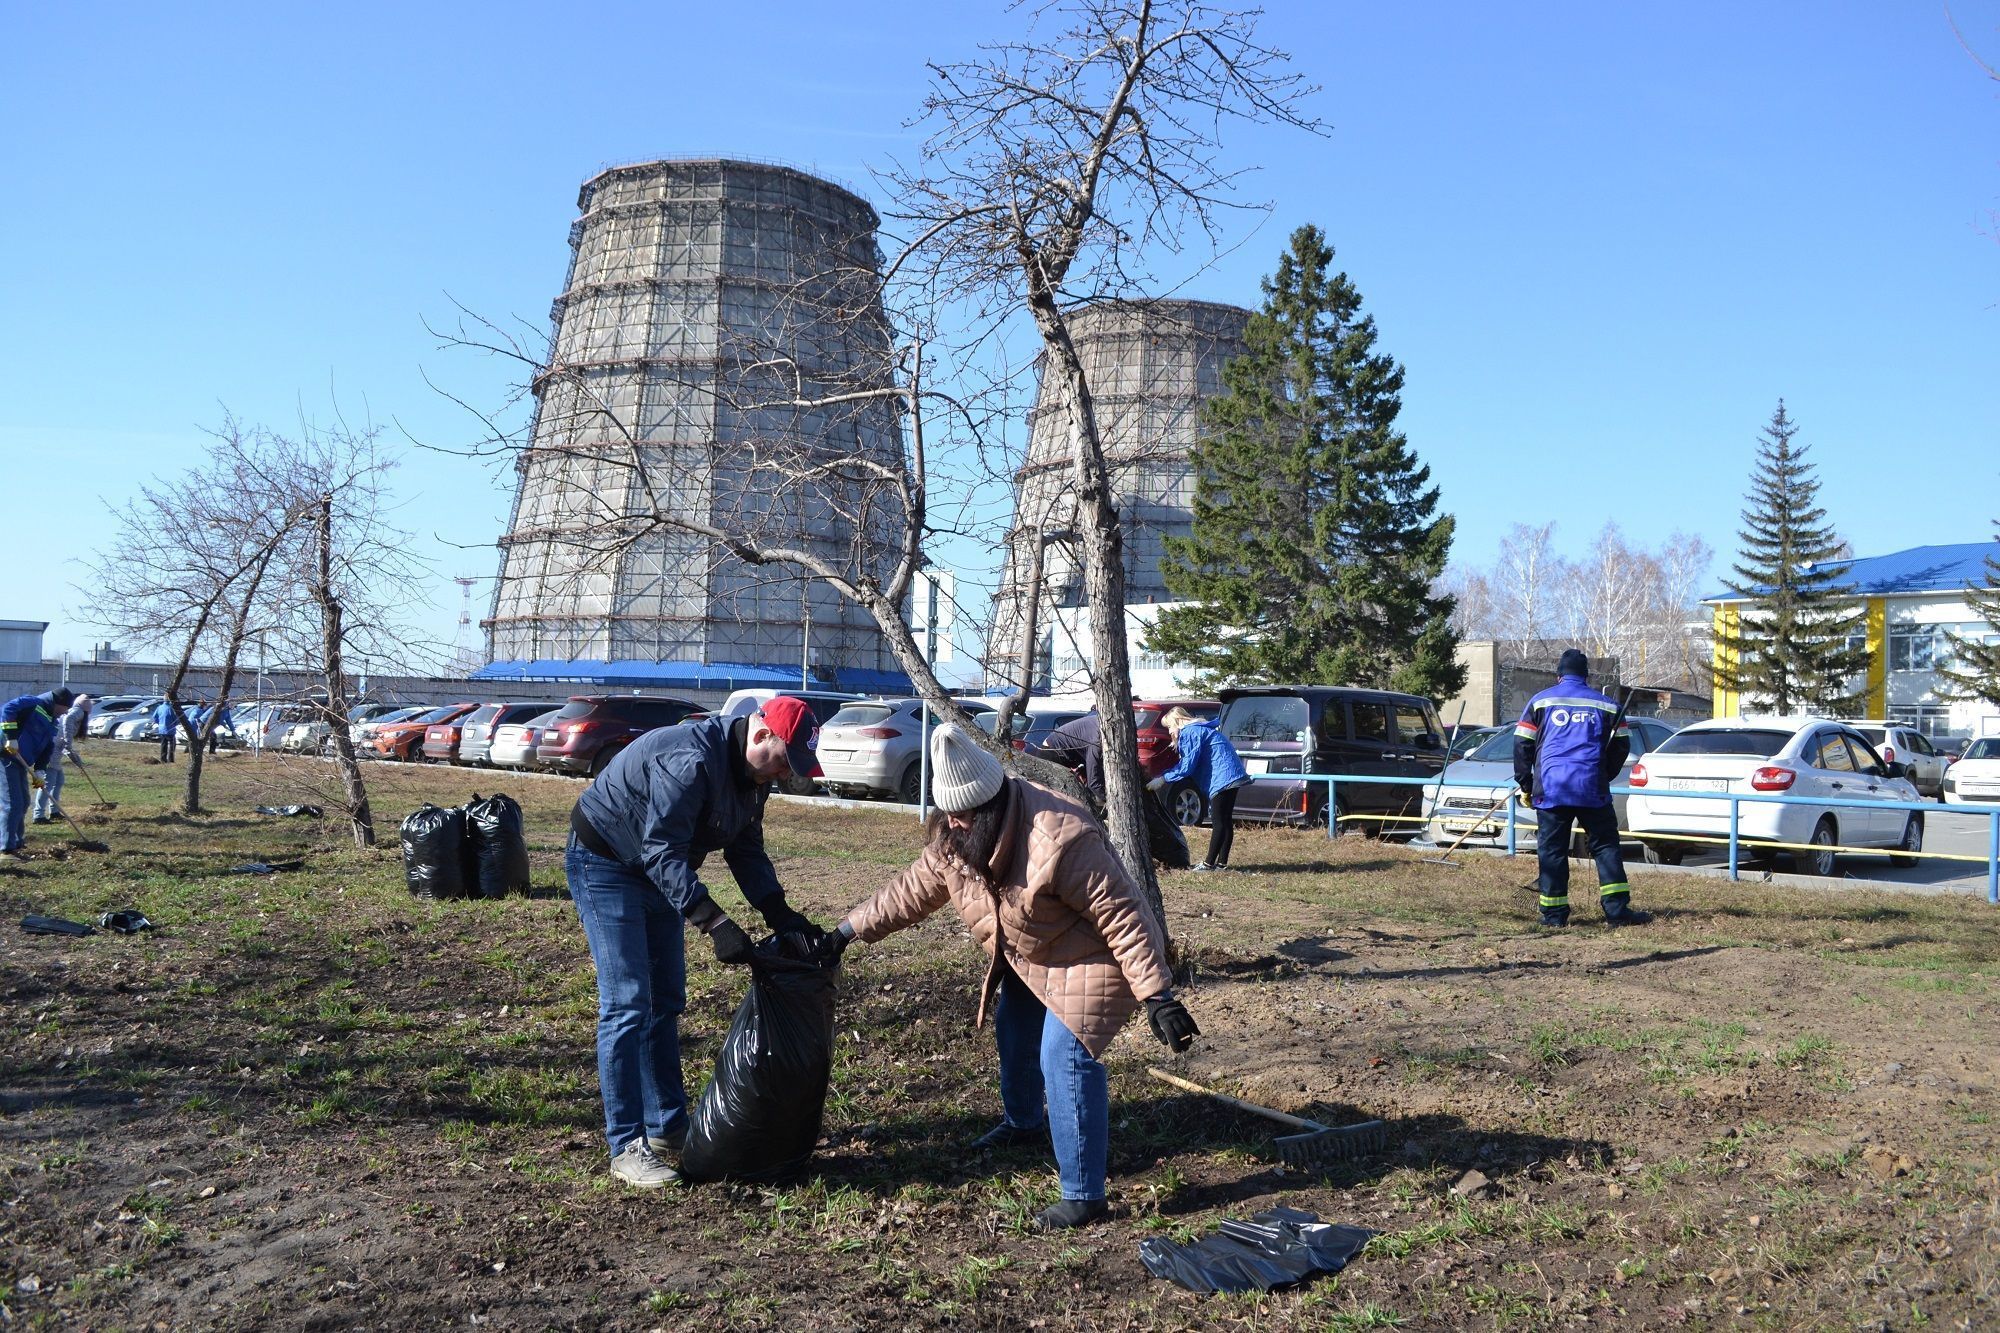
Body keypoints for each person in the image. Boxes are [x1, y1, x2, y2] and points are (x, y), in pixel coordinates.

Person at [813, 724, 1199, 1231]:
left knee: (1064, 1054)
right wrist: (844, 932)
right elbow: (910, 891)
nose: (954, 823)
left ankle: (1084, 1193)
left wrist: (1158, 995)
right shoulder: (957, 838)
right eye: (948, 815)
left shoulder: (1061, 836)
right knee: (1015, 1030)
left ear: (991, 803)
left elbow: (1123, 914)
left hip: (1095, 958)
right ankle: (1023, 1124)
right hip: (1034, 953)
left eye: (965, 815)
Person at [564, 697, 828, 1190]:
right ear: (760, 735)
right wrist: (714, 922)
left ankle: (666, 1127)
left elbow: (745, 847)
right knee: (627, 1005)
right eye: (782, 762)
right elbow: (660, 851)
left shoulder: (753, 779)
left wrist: (779, 912)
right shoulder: (690, 761)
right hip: (606, 863)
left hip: (658, 868)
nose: (780, 776)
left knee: (665, 999)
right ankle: (626, 1145)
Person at [1513, 649, 1650, 929]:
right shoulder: (1608, 705)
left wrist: (1526, 782)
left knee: (1552, 851)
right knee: (1606, 848)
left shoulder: (1541, 702)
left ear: (1559, 675)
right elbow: (1622, 745)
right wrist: (1604, 774)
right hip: (1591, 788)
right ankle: (1617, 912)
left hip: (1552, 789)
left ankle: (1553, 915)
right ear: (1587, 676)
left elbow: (1521, 743)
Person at [1148, 706, 1249, 871]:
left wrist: (1163, 778)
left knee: (1218, 821)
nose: (1169, 732)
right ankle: (1222, 864)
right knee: (1225, 820)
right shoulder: (1200, 729)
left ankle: (1209, 864)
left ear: (1176, 722)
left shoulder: (1190, 732)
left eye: (1169, 727)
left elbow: (1187, 766)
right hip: (1232, 774)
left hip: (1222, 776)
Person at [2, 688, 76, 857]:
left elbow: (47, 747)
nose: (66, 712)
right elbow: (8, 709)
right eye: (65, 708)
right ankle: (6, 849)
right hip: (6, 756)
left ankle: (17, 843)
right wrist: (11, 737)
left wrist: (40, 770)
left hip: (21, 762)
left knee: (24, 801)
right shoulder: (33, 703)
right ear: (58, 704)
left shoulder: (52, 720)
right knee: (12, 803)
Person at [33, 694, 91, 824]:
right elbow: (67, 724)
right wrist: (68, 742)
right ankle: (39, 816)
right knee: (47, 785)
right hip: (50, 752)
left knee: (59, 781)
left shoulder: (76, 711)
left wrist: (75, 758)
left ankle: (54, 811)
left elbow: (66, 746)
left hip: (56, 751)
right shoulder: (78, 712)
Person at [1040, 710, 1106, 805]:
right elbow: (1094, 783)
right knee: (1060, 798)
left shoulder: (1101, 724)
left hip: (1065, 751)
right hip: (1051, 751)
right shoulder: (1097, 742)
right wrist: (1110, 801)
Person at [152, 698, 179, 763]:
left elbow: (155, 717)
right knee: (172, 744)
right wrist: (176, 723)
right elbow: (175, 718)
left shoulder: (159, 707)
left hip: (161, 729)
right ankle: (170, 759)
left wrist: (159, 723)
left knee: (163, 744)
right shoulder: (171, 708)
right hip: (170, 729)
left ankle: (163, 759)